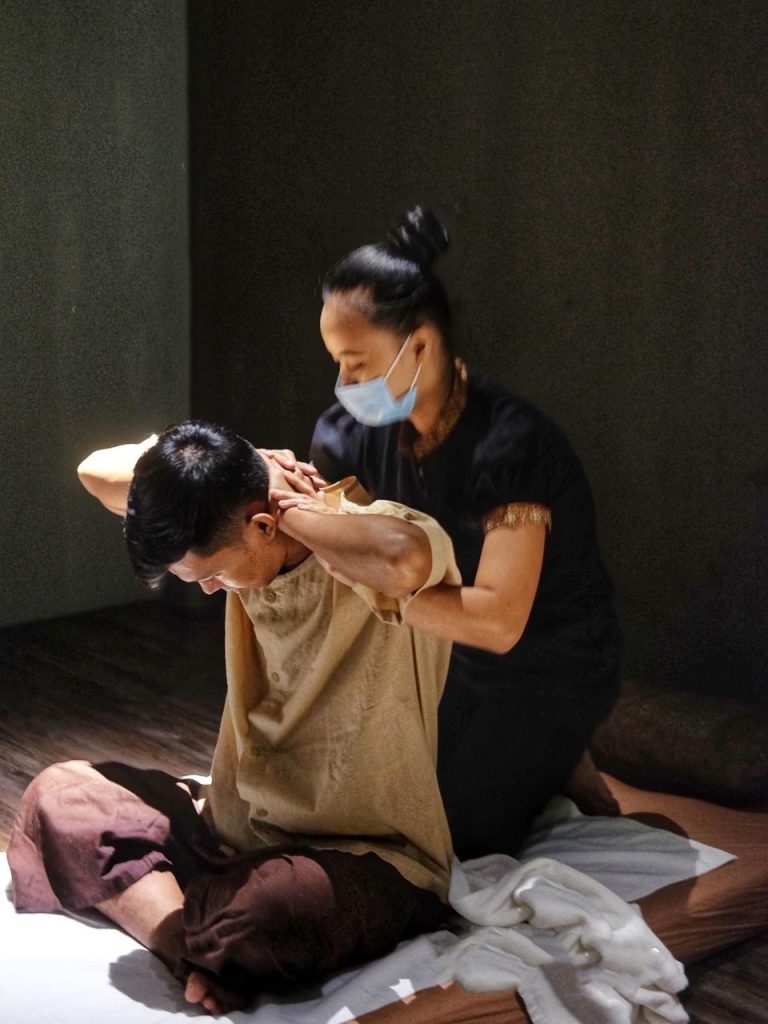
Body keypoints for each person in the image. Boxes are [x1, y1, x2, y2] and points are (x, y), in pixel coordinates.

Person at [7, 420, 460, 1015]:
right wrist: (257, 468)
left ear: (264, 527)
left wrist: (290, 512)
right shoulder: (238, 517)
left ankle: (203, 925)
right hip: (231, 829)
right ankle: (191, 947)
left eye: (212, 574)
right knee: (60, 794)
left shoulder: (366, 543)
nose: (210, 590)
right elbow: (94, 472)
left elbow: (406, 556)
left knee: (270, 911)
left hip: (365, 857)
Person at [305, 206, 623, 861]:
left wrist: (376, 589)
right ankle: (541, 765)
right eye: (337, 363)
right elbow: (354, 548)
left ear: (420, 345)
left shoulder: (511, 447)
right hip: (447, 659)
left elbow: (500, 622)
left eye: (357, 363)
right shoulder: (350, 438)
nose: (345, 384)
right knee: (345, 787)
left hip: (545, 668)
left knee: (438, 834)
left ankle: (561, 751)